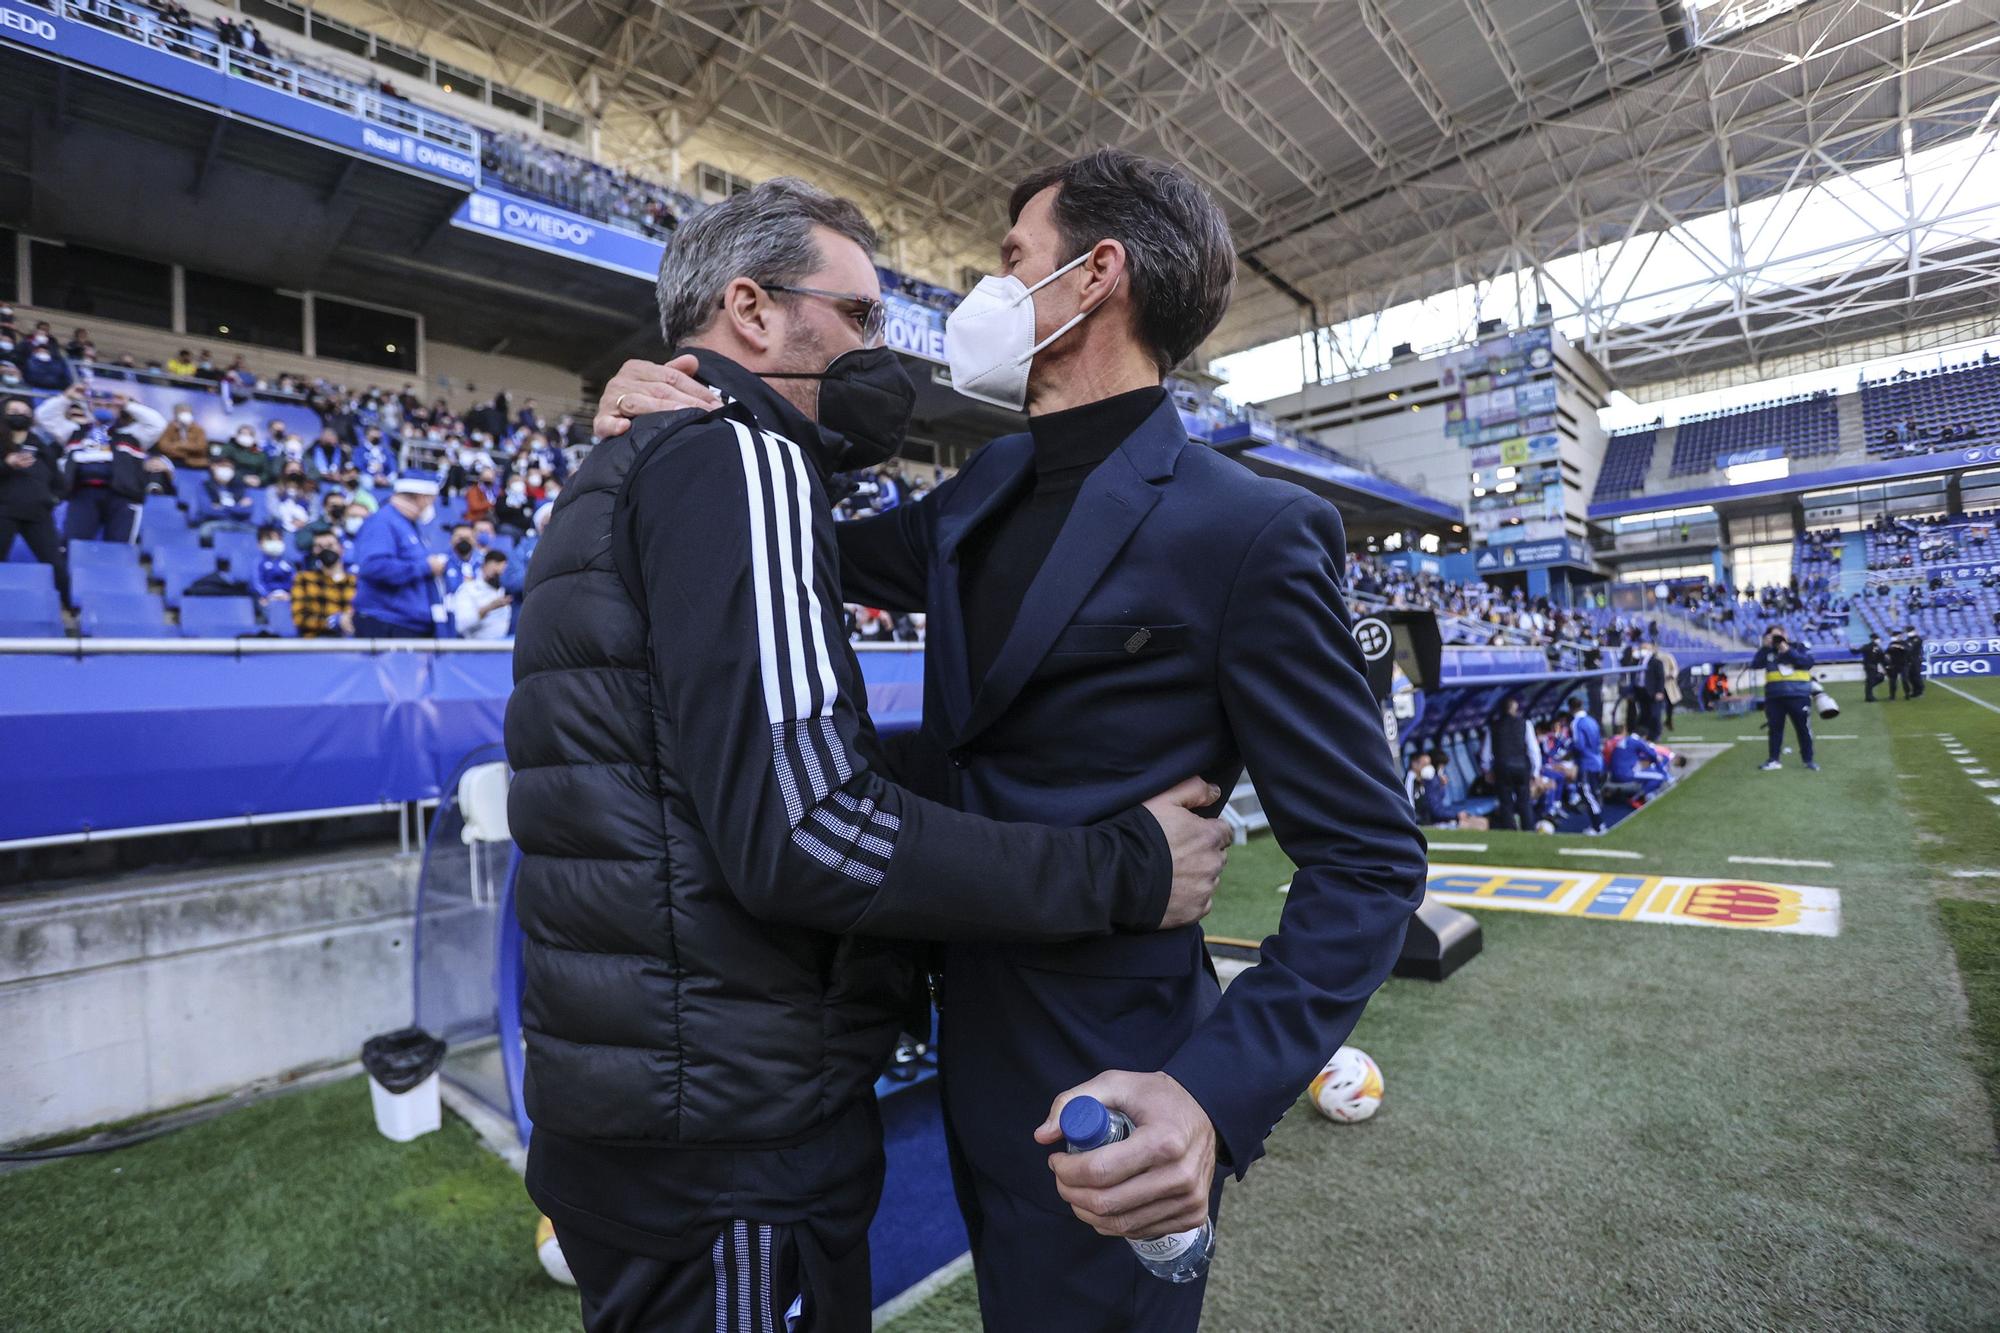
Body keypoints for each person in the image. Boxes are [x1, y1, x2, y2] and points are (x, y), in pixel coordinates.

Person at [594, 149, 1425, 1332]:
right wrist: (671, 417)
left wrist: (1208, 1096)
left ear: (1096, 277)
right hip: (959, 1037)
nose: (984, 292)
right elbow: (785, 551)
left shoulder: (1251, 531)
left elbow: (1369, 862)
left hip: (1117, 1078)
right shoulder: (985, 482)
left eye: (1011, 261)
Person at [504, 177, 1231, 1333]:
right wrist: (1124, 867)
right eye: (855, 318)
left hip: (633, 1111)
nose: (877, 350)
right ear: (749, 309)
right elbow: (809, 830)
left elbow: (705, 764)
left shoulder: (627, 469)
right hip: (732, 1132)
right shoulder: (738, 462)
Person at [38, 388, 167, 543]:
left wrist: (127, 404)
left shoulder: (133, 435)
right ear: (90, 407)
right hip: (82, 495)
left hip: (123, 496)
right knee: (74, 544)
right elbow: (43, 416)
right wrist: (66, 398)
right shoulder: (74, 432)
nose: (103, 408)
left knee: (120, 547)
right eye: (98, 404)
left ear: (119, 409)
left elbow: (158, 424)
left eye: (109, 405)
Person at [350, 476, 447, 639]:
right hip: (387, 624)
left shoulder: (407, 525)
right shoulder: (383, 521)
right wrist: (426, 567)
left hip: (408, 624)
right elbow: (374, 566)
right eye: (432, 501)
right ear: (421, 498)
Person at [0, 394, 68, 601]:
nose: (19, 415)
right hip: (4, 512)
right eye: (13, 412)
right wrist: (7, 464)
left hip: (38, 515)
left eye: (24, 412)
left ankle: (68, 610)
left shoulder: (41, 445)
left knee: (55, 564)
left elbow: (59, 481)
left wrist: (52, 499)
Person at [1751, 625, 1818, 771]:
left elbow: (1807, 663)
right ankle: (1773, 760)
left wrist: (1786, 649)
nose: (1776, 640)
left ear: (1785, 635)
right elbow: (1755, 665)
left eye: (1778, 636)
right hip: (1775, 697)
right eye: (1772, 636)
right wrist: (1764, 647)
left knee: (1803, 729)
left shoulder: (1799, 647)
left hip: (1798, 695)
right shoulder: (1768, 652)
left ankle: (1808, 760)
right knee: (1775, 730)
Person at [1487, 694, 1537, 831]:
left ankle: (1510, 829)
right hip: (1521, 766)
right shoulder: (1525, 724)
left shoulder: (1494, 726)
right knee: (1524, 801)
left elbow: (1486, 752)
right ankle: (1528, 829)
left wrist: (1487, 769)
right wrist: (1535, 771)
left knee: (1506, 802)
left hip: (1502, 766)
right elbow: (1533, 750)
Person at [290, 531, 355, 637]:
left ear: (341, 548)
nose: (325, 549)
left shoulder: (355, 581)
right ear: (314, 551)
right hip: (316, 643)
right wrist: (332, 622)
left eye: (330, 545)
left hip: (352, 643)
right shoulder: (303, 579)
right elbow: (299, 618)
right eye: (319, 546)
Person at [447, 548, 512, 639]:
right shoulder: (468, 589)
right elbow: (459, 626)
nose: (499, 572)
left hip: (501, 646)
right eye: (495, 571)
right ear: (484, 566)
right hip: (475, 647)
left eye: (502, 570)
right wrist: (487, 609)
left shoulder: (503, 591)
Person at [1567, 693, 1607, 833]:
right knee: (1592, 792)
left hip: (1586, 762)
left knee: (1586, 793)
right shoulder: (1592, 720)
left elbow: (1579, 745)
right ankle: (1597, 824)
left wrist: (1568, 751)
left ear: (1570, 708)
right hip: (1597, 760)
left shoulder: (1576, 723)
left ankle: (1598, 825)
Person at [194, 456, 256, 537]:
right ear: (213, 467)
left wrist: (221, 507)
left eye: (230, 467)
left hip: (239, 524)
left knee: (256, 533)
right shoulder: (204, 486)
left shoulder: (241, 487)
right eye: (223, 466)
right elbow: (207, 510)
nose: (226, 469)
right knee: (206, 531)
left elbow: (247, 510)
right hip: (213, 523)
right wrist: (237, 507)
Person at [249, 523, 295, 609]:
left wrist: (289, 595)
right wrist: (268, 595)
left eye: (278, 539)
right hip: (266, 598)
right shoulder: (259, 562)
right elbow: (256, 583)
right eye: (270, 539)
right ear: (259, 543)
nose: (274, 542)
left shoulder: (287, 562)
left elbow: (294, 580)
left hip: (286, 597)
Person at [155, 405, 210, 470]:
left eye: (187, 412)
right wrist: (185, 449)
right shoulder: (170, 428)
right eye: (182, 412)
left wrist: (179, 445)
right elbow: (163, 447)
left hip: (195, 462)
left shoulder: (198, 429)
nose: (185, 415)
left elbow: (201, 447)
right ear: (176, 414)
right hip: (173, 460)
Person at [1861, 632, 1886, 702]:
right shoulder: (1869, 646)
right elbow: (1882, 657)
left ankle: (1868, 693)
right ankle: (1869, 696)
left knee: (1878, 678)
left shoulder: (1873, 647)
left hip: (1872, 666)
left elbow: (1881, 657)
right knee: (1872, 680)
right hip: (1870, 666)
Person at [1883, 632, 1907, 700]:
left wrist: (1900, 647)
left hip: (1903, 664)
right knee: (1892, 681)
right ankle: (1892, 696)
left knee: (1905, 680)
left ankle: (1907, 694)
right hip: (1893, 665)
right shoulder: (1891, 644)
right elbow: (1887, 653)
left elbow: (1908, 650)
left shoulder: (1904, 643)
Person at [1904, 626, 1926, 698]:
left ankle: (1920, 691)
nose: (1909, 632)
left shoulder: (1917, 639)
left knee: (1916, 675)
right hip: (1909, 659)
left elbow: (1911, 648)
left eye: (1909, 631)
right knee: (1910, 676)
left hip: (1915, 659)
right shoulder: (1907, 640)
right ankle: (1915, 691)